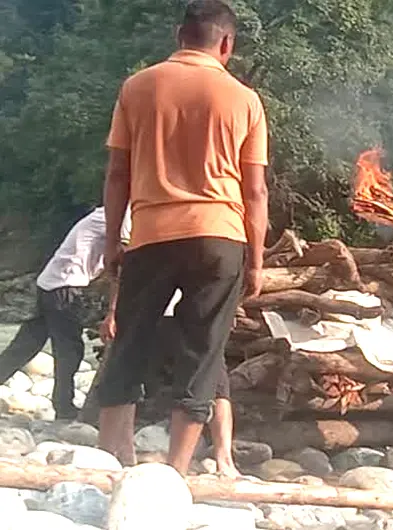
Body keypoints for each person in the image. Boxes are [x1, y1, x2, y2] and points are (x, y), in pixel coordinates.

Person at [97, 0, 269, 475]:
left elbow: (117, 174)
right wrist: (256, 261)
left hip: (152, 233)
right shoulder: (244, 99)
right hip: (220, 236)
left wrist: (112, 241)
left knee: (130, 342)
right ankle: (177, 468)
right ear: (227, 43)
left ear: (179, 35)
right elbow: (255, 190)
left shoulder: (138, 86)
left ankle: (113, 457)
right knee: (203, 351)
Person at [0, 206, 130, 420]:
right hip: (65, 285)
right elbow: (121, 264)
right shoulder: (124, 215)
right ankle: (64, 408)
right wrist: (112, 311)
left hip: (50, 282)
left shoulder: (108, 212)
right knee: (70, 351)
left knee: (25, 346)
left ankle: (62, 404)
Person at [100, 289, 240, 477]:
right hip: (174, 312)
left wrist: (113, 311)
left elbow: (122, 276)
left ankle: (224, 459)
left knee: (129, 372)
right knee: (130, 374)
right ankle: (123, 452)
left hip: (177, 311)